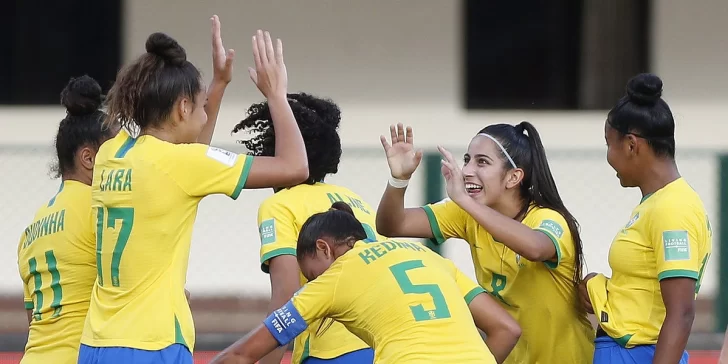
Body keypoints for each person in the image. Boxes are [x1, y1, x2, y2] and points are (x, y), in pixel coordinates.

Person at [76, 24, 309, 364]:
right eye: (201, 107)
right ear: (182, 108)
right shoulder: (182, 164)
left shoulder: (113, 153)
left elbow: (188, 156)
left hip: (96, 343)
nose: (204, 118)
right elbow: (295, 166)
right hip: (152, 344)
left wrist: (218, 84)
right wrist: (275, 94)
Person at [376, 123, 595, 364]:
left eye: (482, 162)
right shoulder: (467, 213)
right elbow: (392, 225)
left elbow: (535, 248)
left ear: (513, 177)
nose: (467, 170)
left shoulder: (547, 218)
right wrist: (399, 179)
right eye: (467, 159)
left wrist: (465, 201)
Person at [210, 202, 521, 364]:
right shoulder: (431, 258)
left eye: (313, 274)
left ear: (324, 248)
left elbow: (243, 354)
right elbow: (507, 329)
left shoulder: (337, 276)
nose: (313, 282)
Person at [232, 93, 384, 364]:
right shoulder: (356, 200)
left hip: (328, 352)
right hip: (382, 346)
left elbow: (286, 296)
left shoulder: (280, 205)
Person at [578, 73, 712, 364]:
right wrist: (600, 290)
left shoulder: (674, 208)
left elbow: (681, 312)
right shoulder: (654, 203)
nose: (608, 156)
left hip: (638, 355)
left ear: (631, 144)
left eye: (608, 144)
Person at [16, 75, 119, 364]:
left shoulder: (30, 230)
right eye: (116, 150)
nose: (125, 159)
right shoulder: (103, 210)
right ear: (89, 158)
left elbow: (33, 317)